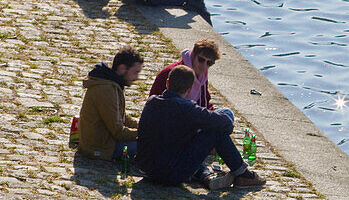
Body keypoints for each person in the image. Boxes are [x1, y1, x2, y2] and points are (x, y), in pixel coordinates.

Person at [135, 66, 265, 190]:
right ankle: (242, 174)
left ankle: (205, 175)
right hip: (170, 175)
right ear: (190, 89)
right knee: (215, 131)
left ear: (167, 83)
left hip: (145, 169)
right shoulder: (187, 109)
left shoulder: (151, 102)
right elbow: (226, 123)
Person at [77, 46, 142, 162]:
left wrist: (142, 126)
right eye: (135, 72)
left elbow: (121, 116)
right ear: (122, 68)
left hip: (104, 142)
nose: (136, 78)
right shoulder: (106, 90)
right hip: (100, 148)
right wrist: (145, 133)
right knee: (152, 145)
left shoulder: (112, 84)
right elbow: (118, 132)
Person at [148, 39, 220, 110]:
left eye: (209, 63)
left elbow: (204, 102)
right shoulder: (173, 72)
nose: (204, 66)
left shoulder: (202, 76)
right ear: (193, 55)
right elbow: (154, 104)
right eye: (201, 60)